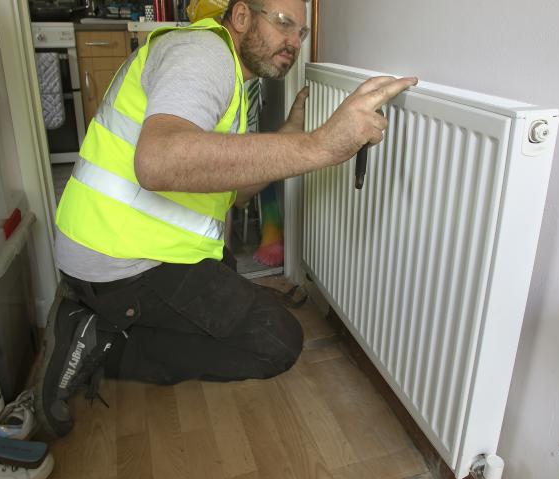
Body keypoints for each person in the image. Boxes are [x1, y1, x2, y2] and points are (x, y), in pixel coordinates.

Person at [32, 0, 417, 439]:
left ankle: (102, 312)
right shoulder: (203, 54)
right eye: (284, 24)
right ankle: (94, 334)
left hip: (117, 245)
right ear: (240, 17)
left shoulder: (230, 79)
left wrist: (290, 136)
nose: (293, 42)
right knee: (276, 343)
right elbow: (158, 162)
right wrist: (320, 145)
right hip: (121, 259)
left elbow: (232, 196)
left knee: (232, 281)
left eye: (301, 34)